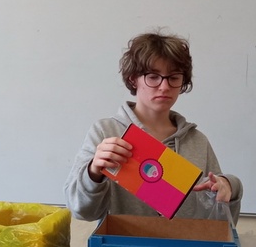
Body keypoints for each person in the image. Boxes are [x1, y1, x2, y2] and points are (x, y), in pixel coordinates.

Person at [64, 30, 243, 225]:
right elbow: (81, 210)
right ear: (133, 79)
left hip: (183, 244)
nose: (164, 87)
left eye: (173, 77)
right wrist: (93, 172)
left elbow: (218, 222)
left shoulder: (197, 141)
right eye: (153, 76)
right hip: (122, 244)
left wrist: (230, 186)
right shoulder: (106, 132)